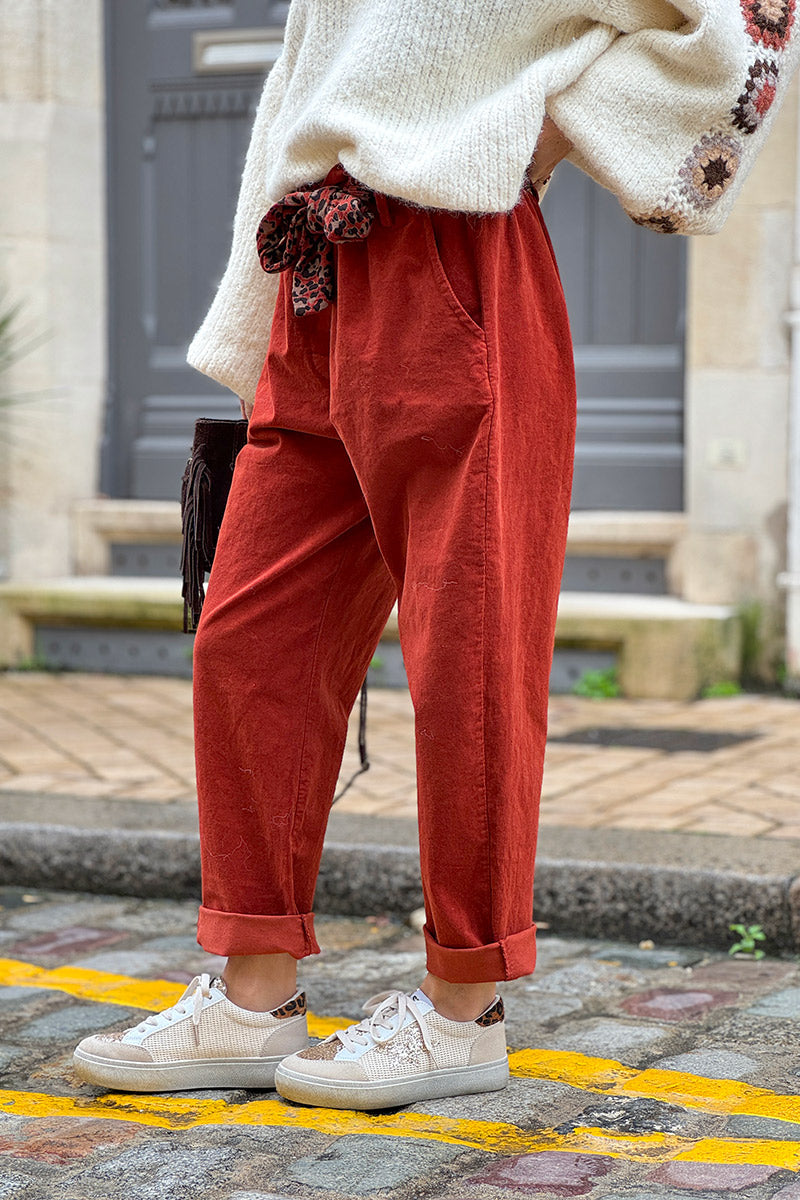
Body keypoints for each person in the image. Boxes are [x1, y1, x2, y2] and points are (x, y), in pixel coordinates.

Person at [74, 0, 798, 1110]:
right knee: (251, 636)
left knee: (470, 653)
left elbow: (752, 18)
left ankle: (465, 1008)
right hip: (319, 268)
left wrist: (534, 131)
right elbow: (313, 78)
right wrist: (256, 314)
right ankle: (253, 999)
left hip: (459, 258)